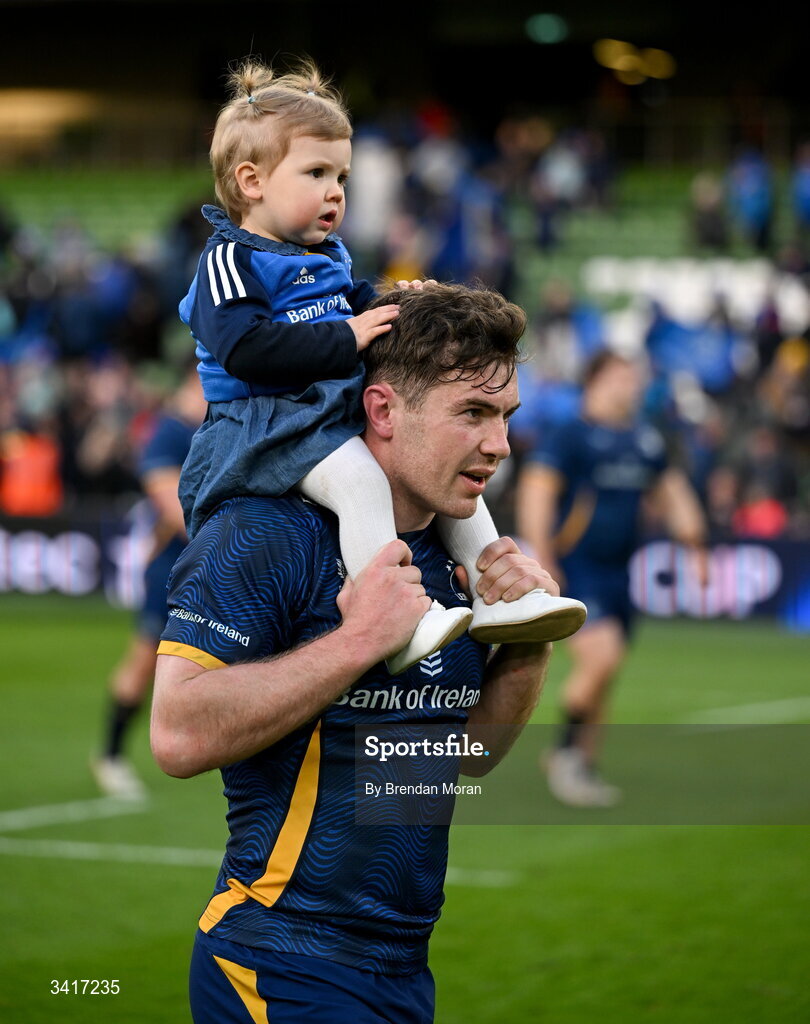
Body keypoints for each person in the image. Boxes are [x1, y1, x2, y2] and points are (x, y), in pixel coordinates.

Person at [150, 282, 557, 1024]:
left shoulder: (454, 554)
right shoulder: (265, 534)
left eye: (504, 417)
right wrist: (359, 642)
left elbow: (462, 757)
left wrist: (525, 648)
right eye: (472, 412)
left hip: (403, 969)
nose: (498, 445)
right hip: (278, 962)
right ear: (383, 411)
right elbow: (176, 734)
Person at [177, 57, 585, 676]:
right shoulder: (229, 261)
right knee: (364, 480)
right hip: (262, 426)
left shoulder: (325, 255)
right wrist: (347, 336)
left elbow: (355, 302)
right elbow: (246, 350)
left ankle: (496, 595)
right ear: (251, 181)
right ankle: (398, 620)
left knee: (455, 488)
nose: (336, 190)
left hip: (319, 409)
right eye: (316, 172)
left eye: (341, 175)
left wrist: (400, 302)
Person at [516, 350, 709, 808]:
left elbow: (672, 492)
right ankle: (564, 756)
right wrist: (542, 555)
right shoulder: (571, 436)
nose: (633, 385)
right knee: (600, 659)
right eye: (623, 376)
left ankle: (584, 765)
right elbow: (537, 490)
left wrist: (695, 547)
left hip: (620, 574)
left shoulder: (644, 439)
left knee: (607, 672)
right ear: (597, 380)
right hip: (577, 568)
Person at [91, 361, 206, 799]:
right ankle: (111, 755)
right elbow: (176, 511)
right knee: (143, 662)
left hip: (204, 566)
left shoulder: (207, 425)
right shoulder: (169, 432)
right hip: (175, 569)